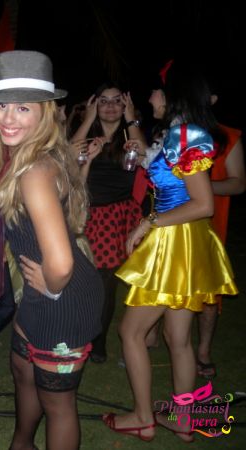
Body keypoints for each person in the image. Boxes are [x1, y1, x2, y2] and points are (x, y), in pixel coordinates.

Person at [102, 59, 238, 443]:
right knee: (178, 338)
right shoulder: (180, 132)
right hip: (186, 238)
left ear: (173, 95)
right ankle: (183, 419)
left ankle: (143, 417)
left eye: (156, 90)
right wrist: (134, 125)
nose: (151, 97)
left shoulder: (186, 135)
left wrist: (148, 222)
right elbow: (161, 169)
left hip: (174, 239)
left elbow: (203, 203)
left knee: (131, 331)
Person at [0, 50, 104, 450]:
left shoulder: (33, 171)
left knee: (58, 404)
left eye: (23, 108)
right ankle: (21, 444)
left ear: (44, 113)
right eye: (2, 107)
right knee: (22, 369)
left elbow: (61, 264)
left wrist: (50, 286)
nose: (8, 118)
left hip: (62, 296)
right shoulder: (28, 156)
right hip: (42, 293)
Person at [71, 82, 148, 363]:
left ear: (125, 105)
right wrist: (88, 119)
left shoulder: (130, 135)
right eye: (103, 101)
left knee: (106, 282)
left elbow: (145, 158)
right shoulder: (88, 135)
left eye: (117, 100)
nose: (111, 106)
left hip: (116, 215)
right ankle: (78, 331)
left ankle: (98, 341)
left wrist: (132, 119)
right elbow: (67, 156)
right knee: (79, 277)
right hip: (85, 213)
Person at [195, 89, 246, 380]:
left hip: (210, 223)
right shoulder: (175, 131)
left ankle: (203, 351)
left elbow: (238, 183)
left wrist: (201, 186)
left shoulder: (227, 136)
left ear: (212, 99)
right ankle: (154, 336)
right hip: (173, 220)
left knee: (209, 292)